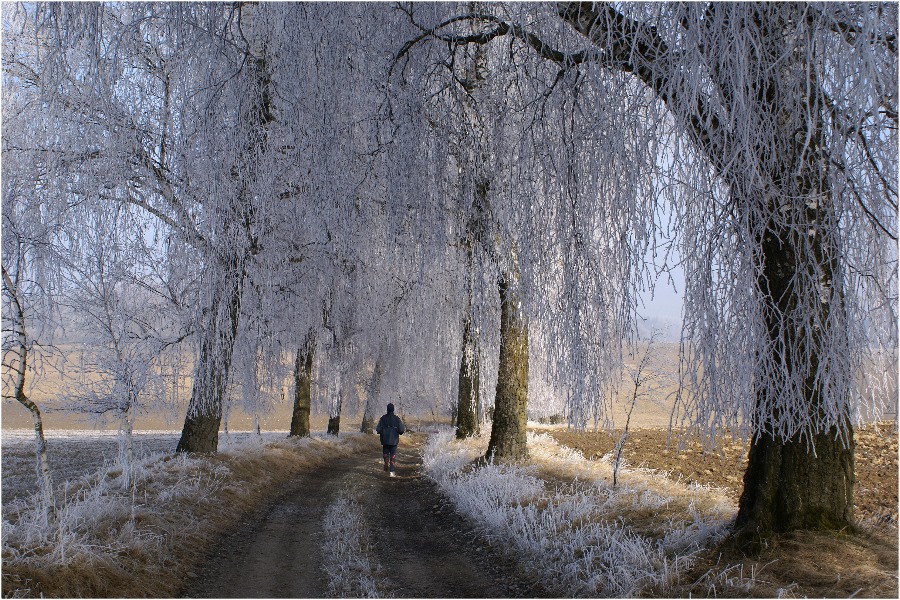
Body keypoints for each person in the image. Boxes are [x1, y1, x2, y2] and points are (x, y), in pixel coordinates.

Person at [375, 402, 405, 477]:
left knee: (385, 452)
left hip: (385, 439)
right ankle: (392, 472)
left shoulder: (383, 418)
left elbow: (378, 429)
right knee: (393, 455)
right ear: (393, 410)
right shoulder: (397, 419)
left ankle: (386, 461)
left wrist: (382, 431)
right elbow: (401, 429)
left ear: (387, 409)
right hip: (394, 440)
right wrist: (398, 432)